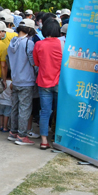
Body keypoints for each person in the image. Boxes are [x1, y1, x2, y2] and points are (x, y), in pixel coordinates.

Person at [32, 18, 63, 150]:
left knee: (45, 112)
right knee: (60, 111)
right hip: (59, 82)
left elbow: (36, 63)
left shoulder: (39, 44)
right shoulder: (63, 44)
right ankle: (58, 138)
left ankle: (44, 140)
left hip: (43, 81)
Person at [7, 20, 37, 145]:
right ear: (29, 30)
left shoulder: (12, 42)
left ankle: (13, 132)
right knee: (24, 109)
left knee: (14, 107)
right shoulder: (28, 43)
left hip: (15, 79)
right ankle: (22, 135)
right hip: (26, 80)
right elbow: (33, 62)